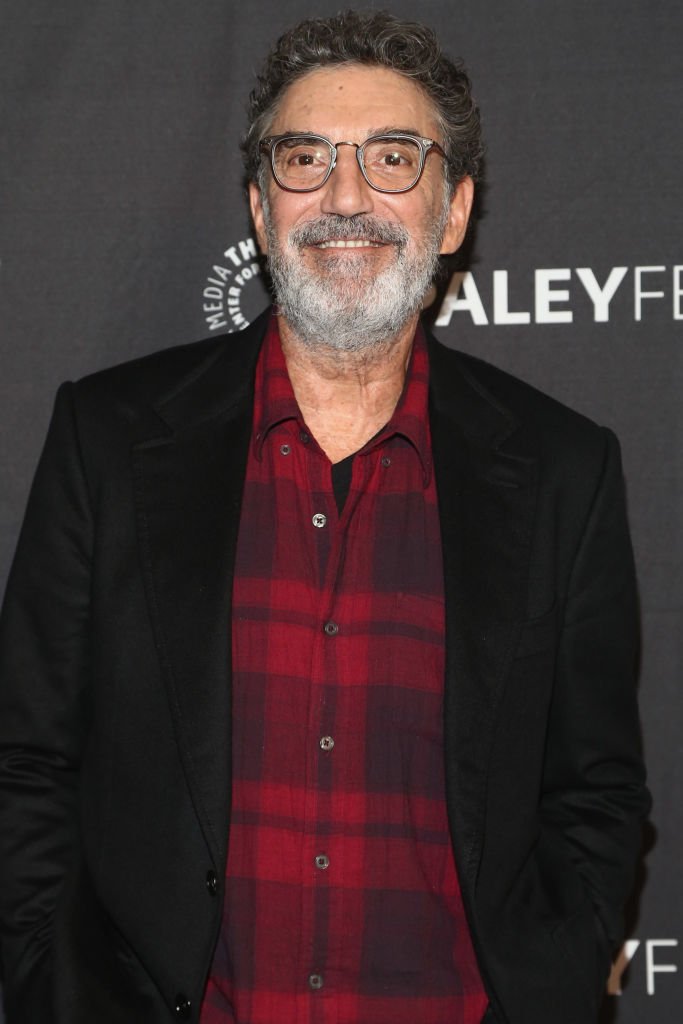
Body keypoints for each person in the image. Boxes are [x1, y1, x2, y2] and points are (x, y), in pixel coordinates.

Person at [0, 10, 650, 1024]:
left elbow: (595, 789)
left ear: (452, 211)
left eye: (393, 158)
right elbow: (28, 757)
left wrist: (552, 979)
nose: (346, 195)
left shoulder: (564, 470)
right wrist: (52, 985)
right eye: (305, 159)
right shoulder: (111, 440)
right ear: (260, 209)